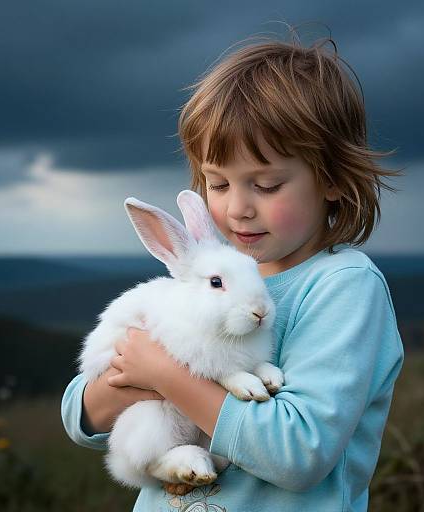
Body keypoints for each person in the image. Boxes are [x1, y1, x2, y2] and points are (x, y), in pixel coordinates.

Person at [61, 35, 404, 511]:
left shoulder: (343, 287)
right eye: (218, 184)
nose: (238, 208)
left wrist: (164, 374)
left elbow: (299, 453)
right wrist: (133, 375)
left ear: (330, 178)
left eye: (266, 185)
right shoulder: (213, 277)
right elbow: (83, 415)